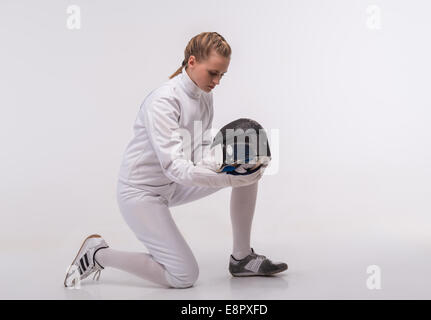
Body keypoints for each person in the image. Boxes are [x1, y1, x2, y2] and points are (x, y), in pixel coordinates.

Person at [64, 32, 288, 289]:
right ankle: (98, 254)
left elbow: (199, 149)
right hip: (141, 193)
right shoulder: (163, 102)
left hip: (174, 185)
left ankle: (241, 258)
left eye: (222, 75)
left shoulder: (204, 95)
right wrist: (224, 176)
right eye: (213, 73)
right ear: (191, 62)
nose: (217, 81)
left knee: (246, 173)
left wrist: (232, 168)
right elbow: (174, 167)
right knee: (183, 276)